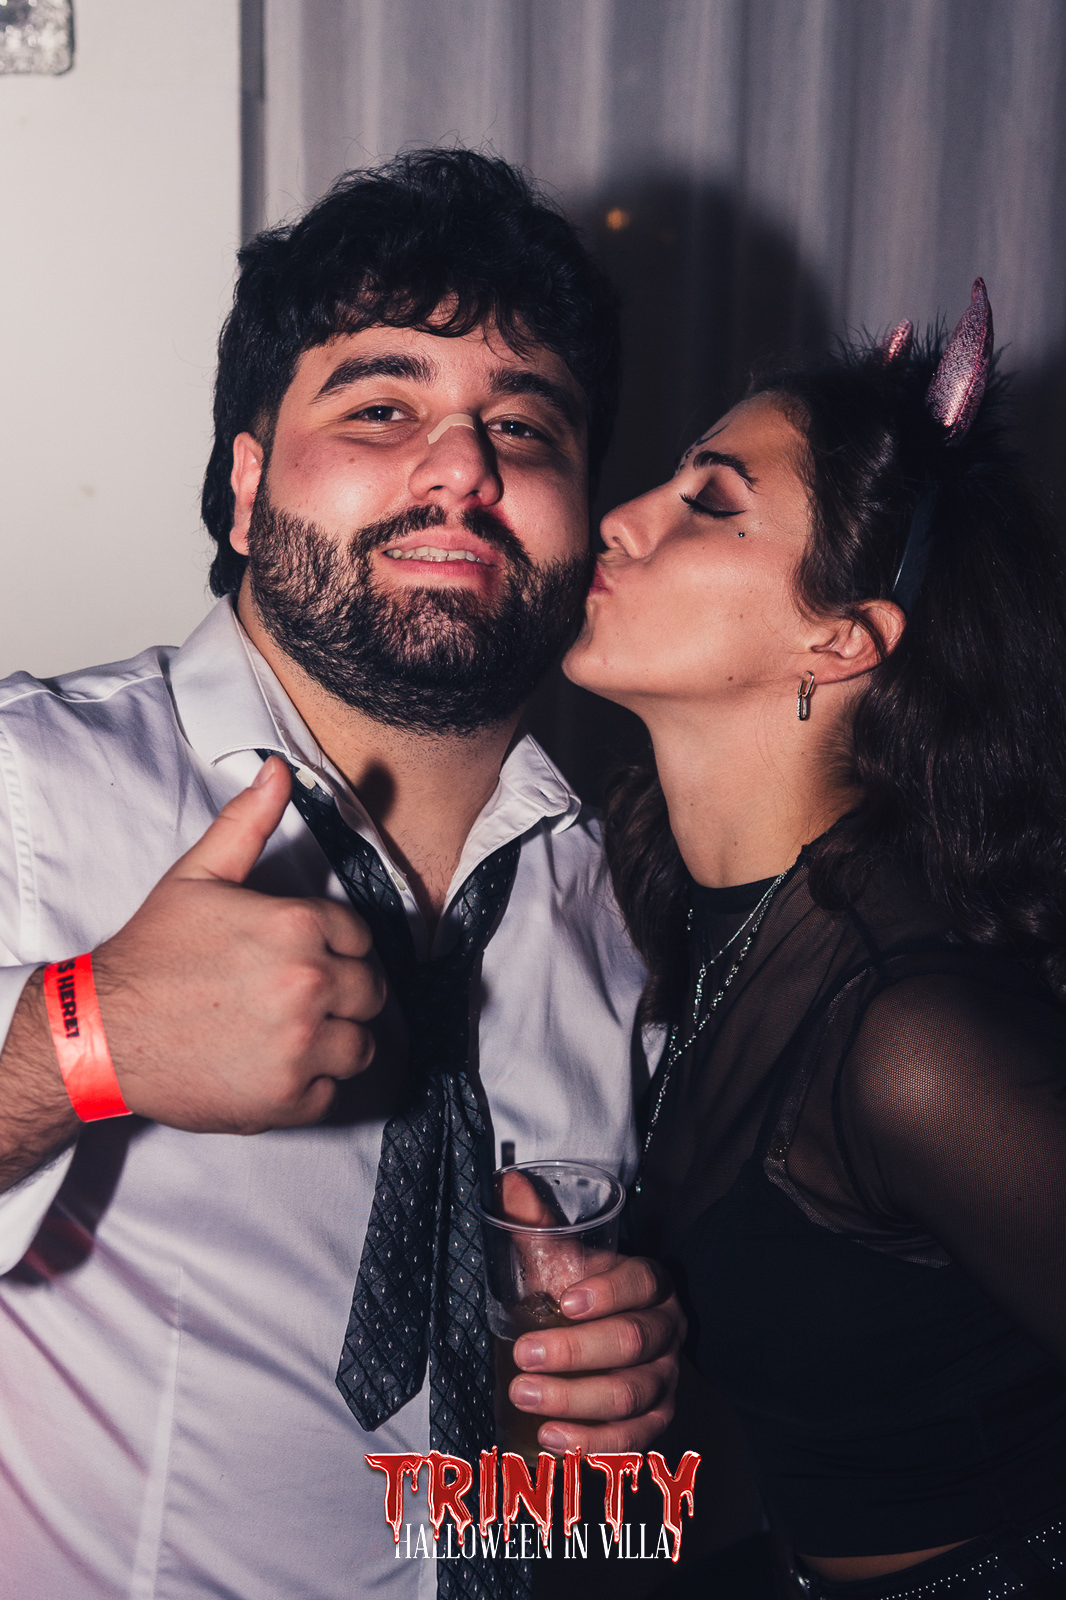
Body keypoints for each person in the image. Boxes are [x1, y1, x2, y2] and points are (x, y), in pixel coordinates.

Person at [0, 149, 682, 1600]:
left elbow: (597, 1510)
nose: (464, 467)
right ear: (246, 490)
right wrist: (82, 1038)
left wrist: (610, 1415)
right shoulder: (29, 786)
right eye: (382, 407)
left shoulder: (630, 904)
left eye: (524, 425)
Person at [564, 282, 1066, 1599]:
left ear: (840, 641)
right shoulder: (696, 917)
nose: (621, 517)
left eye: (708, 502)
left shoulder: (913, 1038)